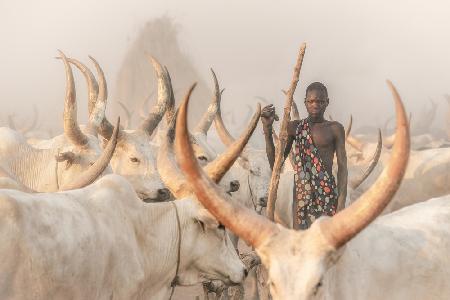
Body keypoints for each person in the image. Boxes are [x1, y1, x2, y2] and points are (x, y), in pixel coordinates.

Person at [261, 82, 348, 230]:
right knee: (301, 242)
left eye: (320, 101)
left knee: (326, 242)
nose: (315, 105)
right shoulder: (294, 127)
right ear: (305, 103)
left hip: (327, 195)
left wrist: (341, 205)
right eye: (311, 101)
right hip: (301, 197)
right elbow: (275, 165)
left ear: (327, 102)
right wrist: (267, 130)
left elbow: (343, 169)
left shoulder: (335, 129)